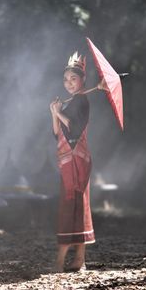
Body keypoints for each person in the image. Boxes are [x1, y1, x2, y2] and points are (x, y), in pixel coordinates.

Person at [50, 51, 94, 273]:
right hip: (68, 161)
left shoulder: (83, 101)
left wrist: (60, 114)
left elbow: (73, 129)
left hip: (77, 161)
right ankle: (79, 260)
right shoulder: (71, 102)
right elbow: (57, 134)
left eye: (73, 79)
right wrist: (53, 113)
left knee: (74, 206)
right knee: (71, 206)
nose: (68, 83)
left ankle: (63, 260)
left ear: (82, 80)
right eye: (66, 79)